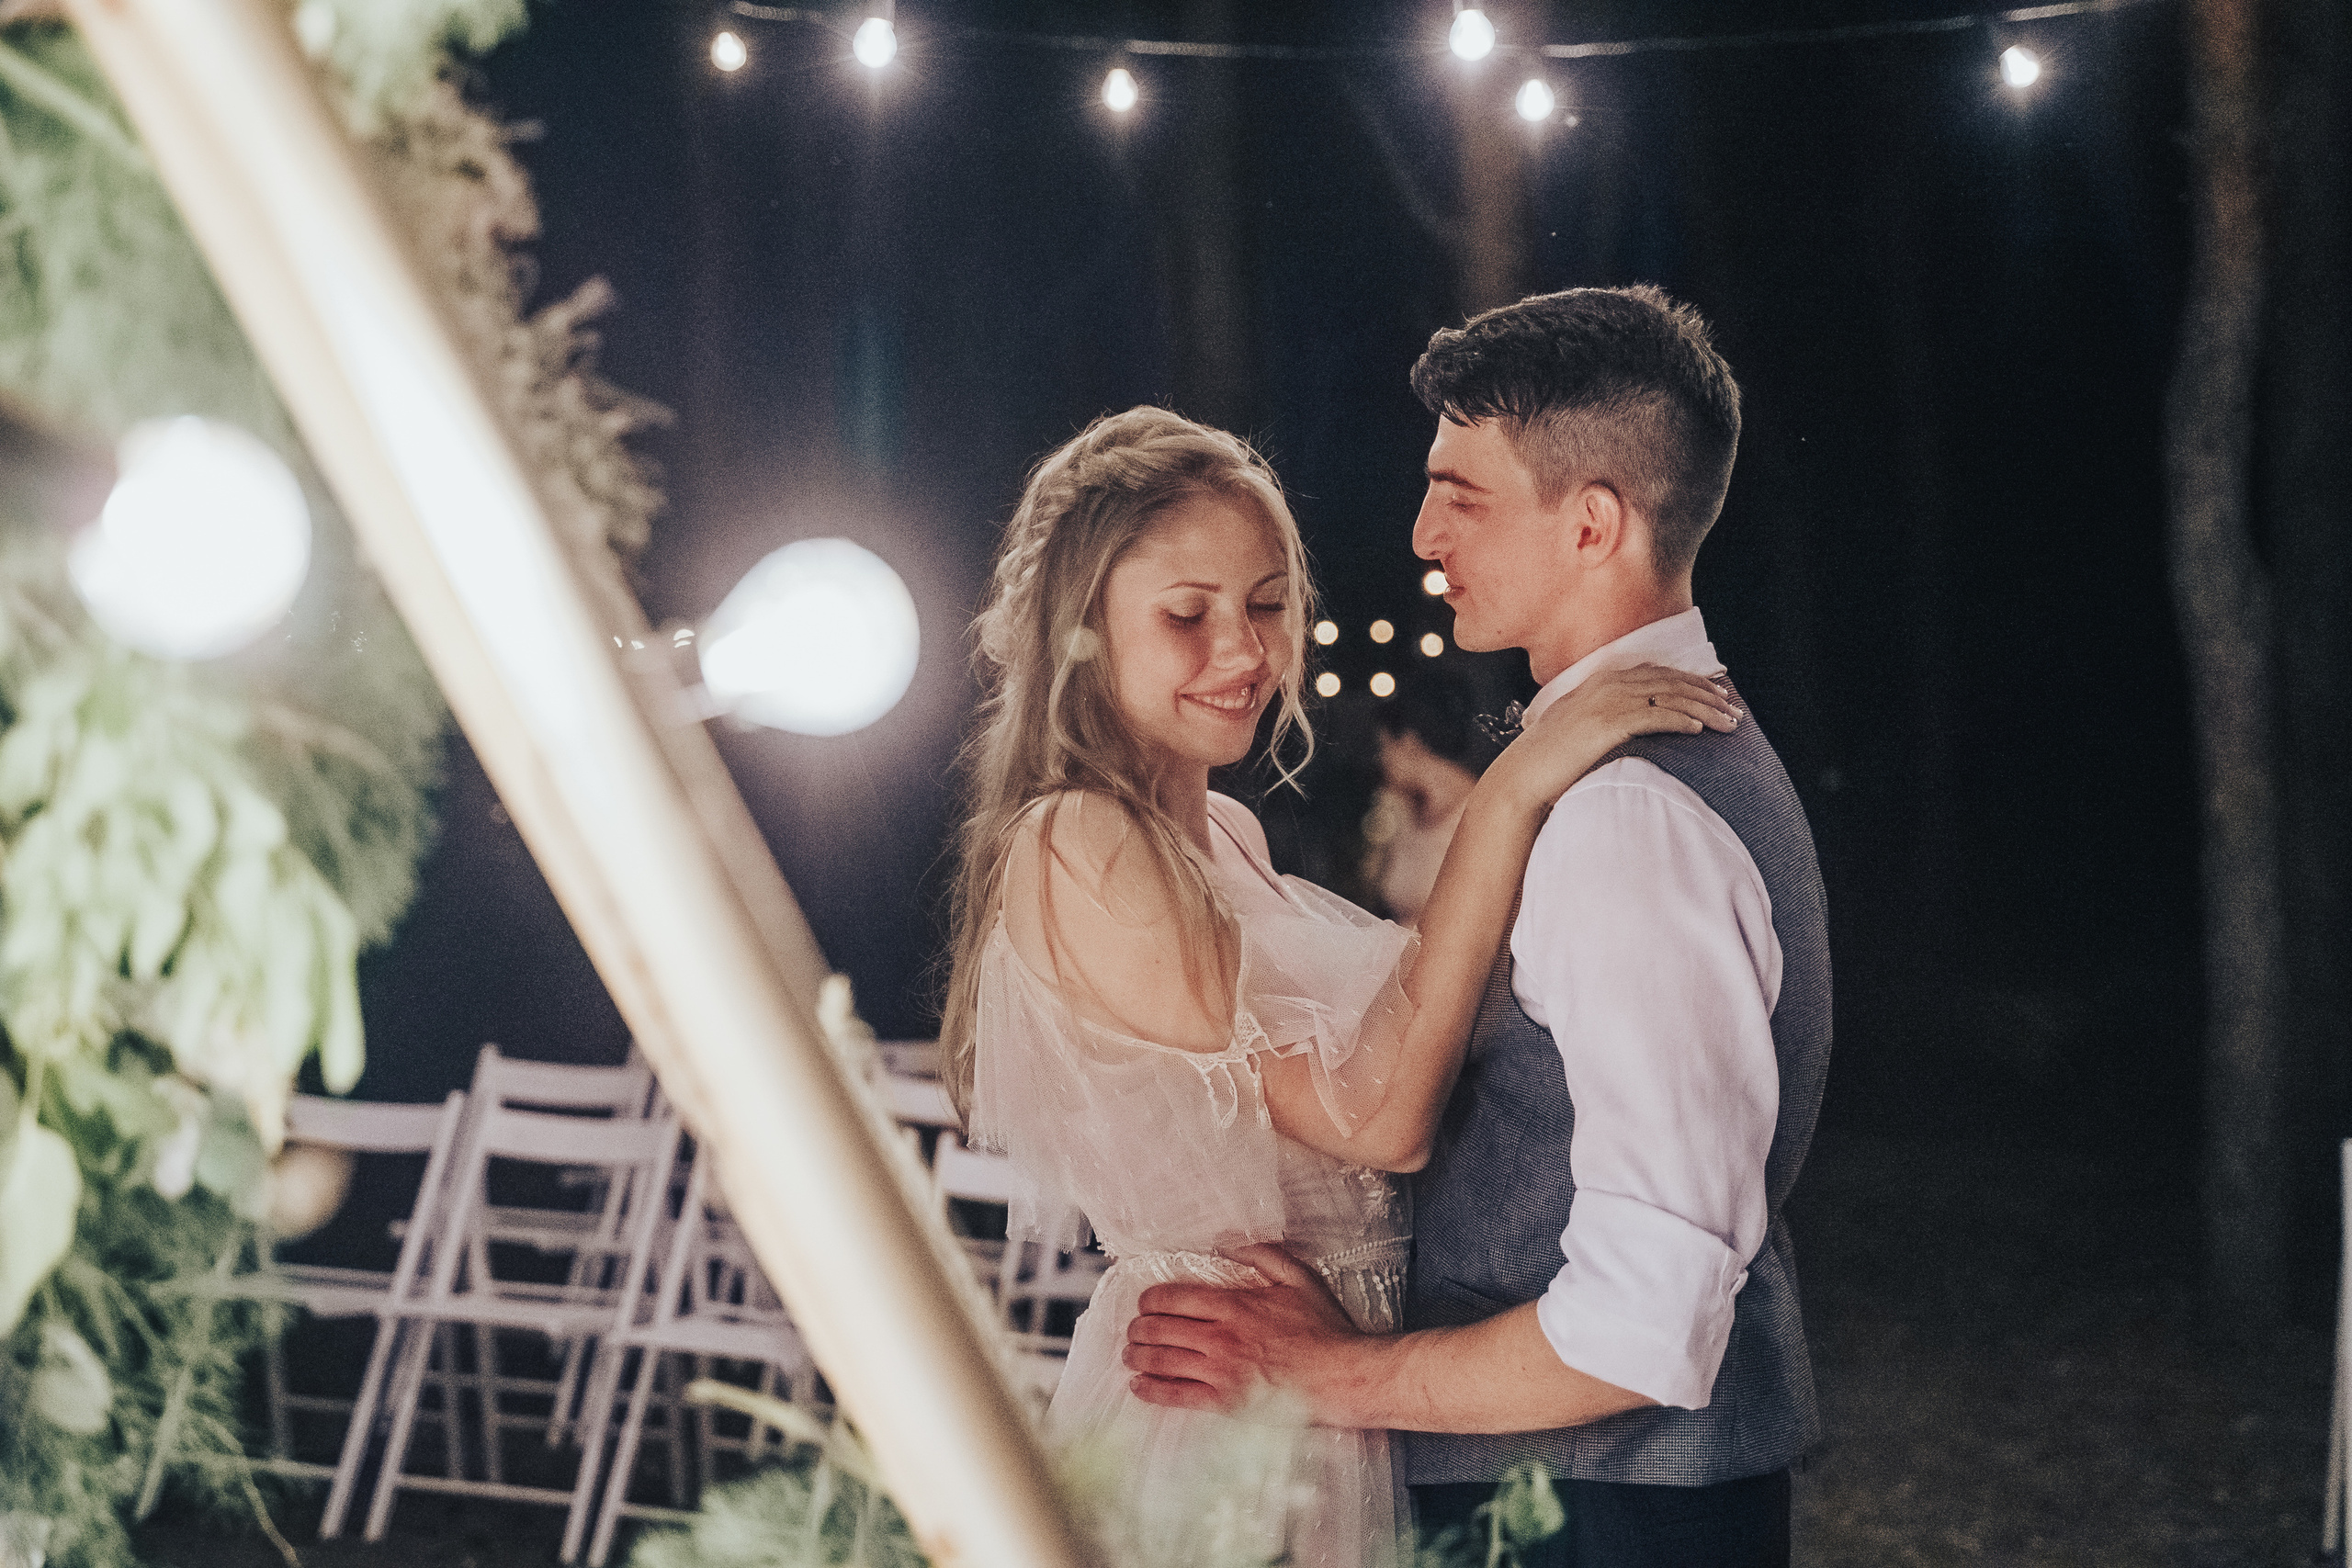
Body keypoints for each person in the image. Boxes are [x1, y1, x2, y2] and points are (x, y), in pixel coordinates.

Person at [937, 404, 1738, 1568]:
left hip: (1322, 1397)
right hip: (1216, 1413)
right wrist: (1507, 797)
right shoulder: (1079, 841)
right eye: (1186, 615)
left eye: (1267, 604)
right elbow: (1380, 1120)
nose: (1244, 652)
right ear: (1080, 628)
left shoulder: (1223, 832)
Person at [1122, 287, 1832, 1568]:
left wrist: (1339, 1374)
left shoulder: (1629, 815)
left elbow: (1644, 1316)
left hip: (1587, 1519)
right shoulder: (1642, 763)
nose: (1422, 529)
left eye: (1463, 491)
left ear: (1593, 523)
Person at [1363, 668, 1488, 926]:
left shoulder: (1481, 812)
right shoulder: (1405, 809)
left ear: (1408, 744)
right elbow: (1371, 881)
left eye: (1384, 747)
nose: (1380, 761)